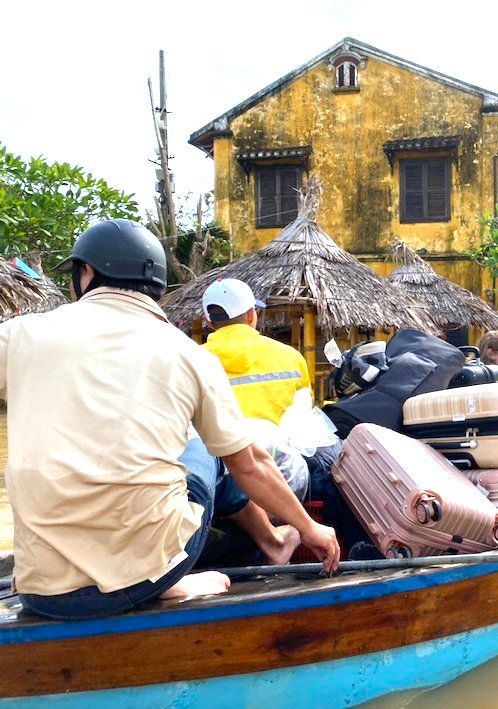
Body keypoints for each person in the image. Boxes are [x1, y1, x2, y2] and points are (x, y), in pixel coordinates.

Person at [0, 219, 339, 620]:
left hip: (42, 591)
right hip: (145, 580)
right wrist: (311, 529)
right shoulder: (190, 355)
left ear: (86, 273)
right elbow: (249, 463)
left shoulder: (18, 335)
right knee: (206, 448)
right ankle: (267, 544)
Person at [202, 278, 311, 424]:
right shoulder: (291, 357)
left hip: (215, 446)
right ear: (250, 315)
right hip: (279, 446)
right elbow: (305, 410)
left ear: (209, 322)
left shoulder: (190, 361)